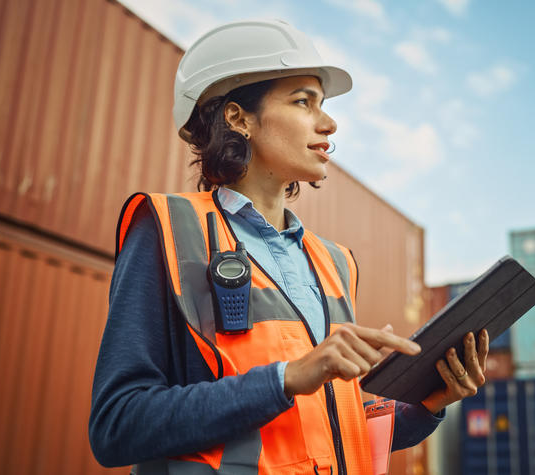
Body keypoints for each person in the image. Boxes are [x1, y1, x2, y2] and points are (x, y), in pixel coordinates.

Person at [89, 19, 489, 474]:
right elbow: (116, 426)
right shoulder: (167, 228)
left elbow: (329, 433)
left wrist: (428, 405)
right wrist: (286, 377)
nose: (330, 121)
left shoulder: (335, 262)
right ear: (239, 117)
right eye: (304, 101)